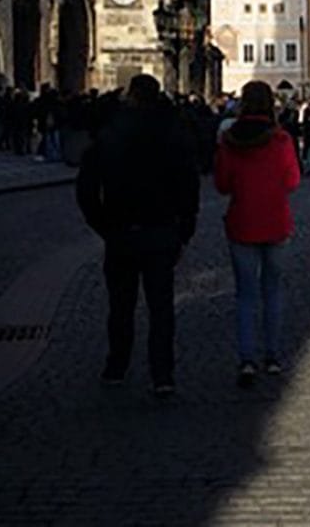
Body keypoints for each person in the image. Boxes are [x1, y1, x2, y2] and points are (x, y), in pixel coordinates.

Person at [75, 74, 199, 394]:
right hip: (162, 229)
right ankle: (162, 374)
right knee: (161, 307)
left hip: (121, 230)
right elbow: (190, 183)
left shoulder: (111, 132)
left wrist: (102, 225)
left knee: (120, 305)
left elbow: (86, 189)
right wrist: (185, 228)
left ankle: (116, 366)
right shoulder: (173, 131)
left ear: (130, 95)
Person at [214, 80, 301, 387]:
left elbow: (222, 184)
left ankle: (247, 358)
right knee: (273, 291)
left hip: (242, 223)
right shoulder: (281, 140)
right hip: (276, 222)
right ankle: (273, 355)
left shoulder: (229, 140)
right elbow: (292, 181)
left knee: (245, 294)